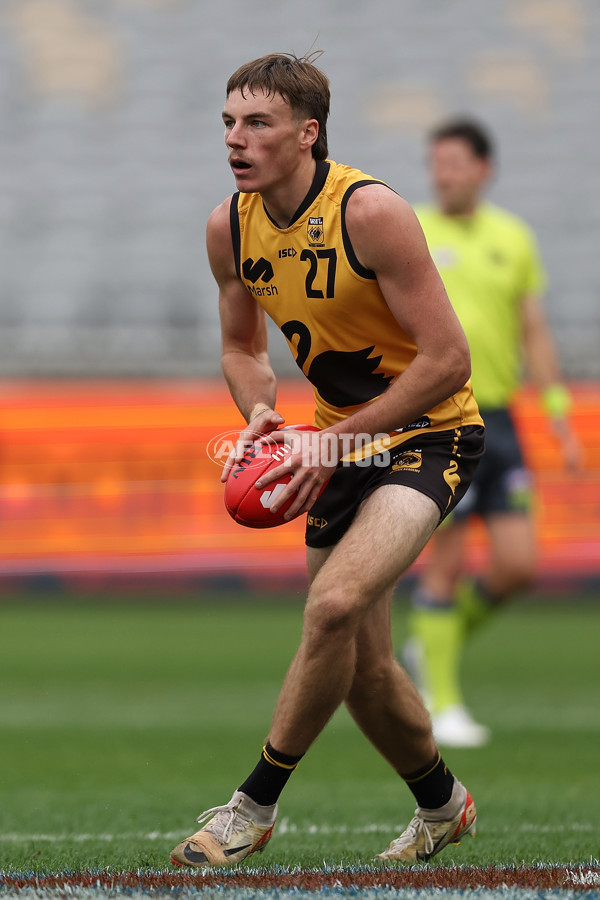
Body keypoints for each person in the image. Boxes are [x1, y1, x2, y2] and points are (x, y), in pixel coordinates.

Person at [170, 52, 485, 869]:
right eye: (229, 124)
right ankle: (443, 805)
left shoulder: (371, 212)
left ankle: (250, 809)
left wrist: (334, 441)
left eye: (258, 124)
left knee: (332, 608)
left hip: (428, 435)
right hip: (331, 443)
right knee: (362, 668)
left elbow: (448, 361)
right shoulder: (228, 225)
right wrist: (261, 409)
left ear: (308, 134)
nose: (237, 140)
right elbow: (241, 349)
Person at [403, 118, 581, 748]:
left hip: (503, 417)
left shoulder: (513, 237)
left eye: (452, 161)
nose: (441, 172)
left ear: (483, 167)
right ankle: (440, 703)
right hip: (445, 415)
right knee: (444, 562)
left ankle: (429, 649)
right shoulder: (413, 232)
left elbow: (532, 328)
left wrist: (557, 411)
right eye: (434, 162)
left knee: (517, 566)